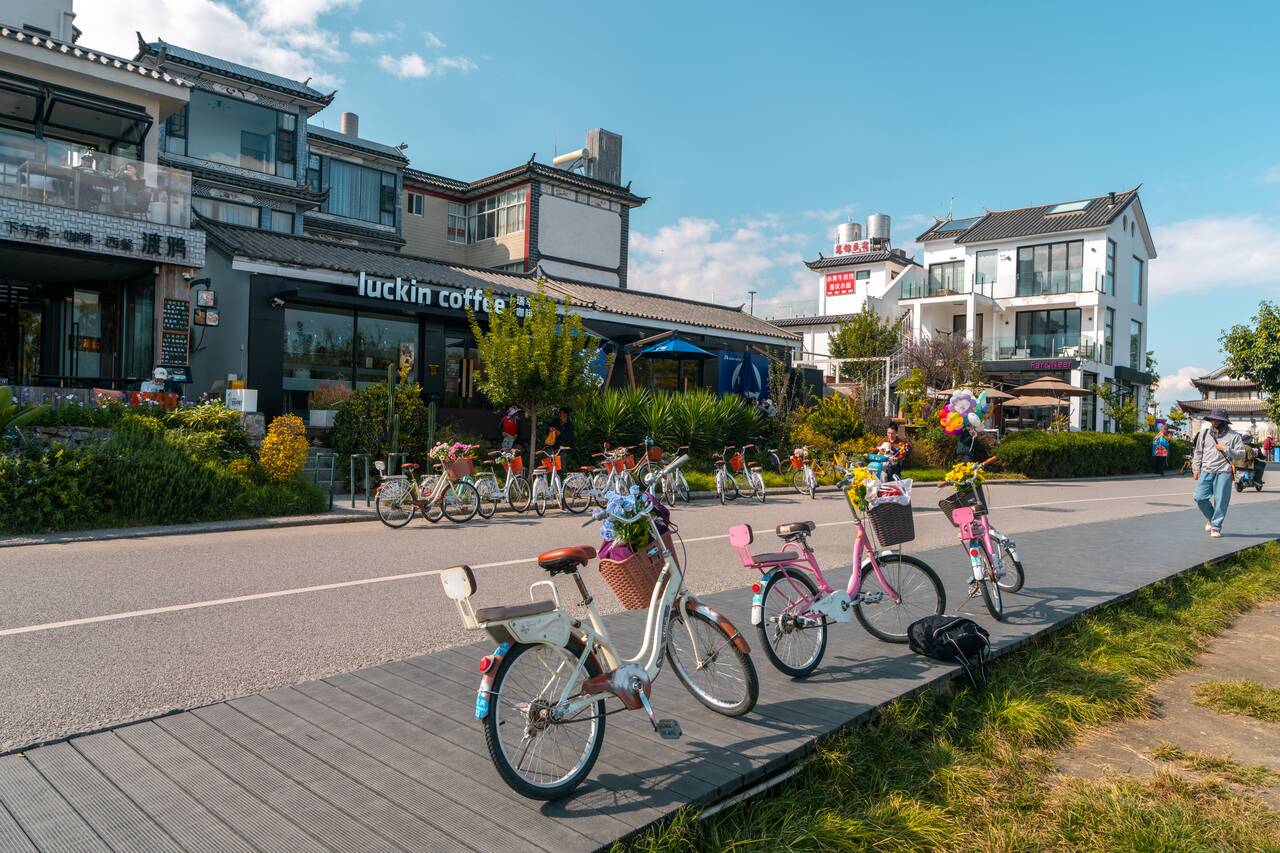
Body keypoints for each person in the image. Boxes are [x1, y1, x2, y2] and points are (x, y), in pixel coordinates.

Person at [1191, 408, 1245, 537]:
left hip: (1224, 471)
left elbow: (1241, 454)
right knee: (1199, 497)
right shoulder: (1204, 434)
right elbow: (1198, 452)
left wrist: (1227, 449)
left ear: (1224, 421)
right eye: (1212, 419)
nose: (1214, 421)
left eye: (1217, 419)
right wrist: (1196, 468)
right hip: (1206, 470)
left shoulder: (1234, 436)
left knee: (1221, 500)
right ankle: (1212, 518)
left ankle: (1216, 526)